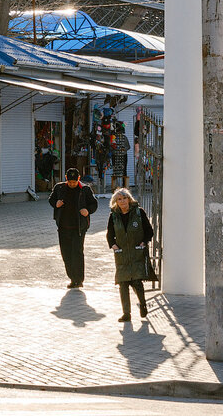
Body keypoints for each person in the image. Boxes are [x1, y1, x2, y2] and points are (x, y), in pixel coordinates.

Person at [106, 187, 153, 323]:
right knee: (123, 283)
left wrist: (144, 242)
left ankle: (143, 304)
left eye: (124, 198)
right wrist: (113, 245)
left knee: (136, 281)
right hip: (121, 254)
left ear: (129, 199)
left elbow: (149, 231)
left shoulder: (139, 212)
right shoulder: (114, 216)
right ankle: (126, 313)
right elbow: (110, 234)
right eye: (119, 199)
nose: (122, 202)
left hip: (136, 252)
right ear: (116, 202)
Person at [49, 167, 97, 288]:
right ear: (66, 179)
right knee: (66, 253)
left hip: (79, 228)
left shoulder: (85, 189)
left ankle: (79, 280)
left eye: (74, 182)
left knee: (77, 253)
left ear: (79, 179)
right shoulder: (59, 188)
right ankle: (72, 278)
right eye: (70, 182)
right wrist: (56, 204)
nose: (72, 184)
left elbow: (94, 204)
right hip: (63, 227)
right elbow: (51, 199)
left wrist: (88, 211)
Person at [110, 121, 130, 189]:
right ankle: (115, 186)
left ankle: (124, 186)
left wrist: (124, 149)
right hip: (115, 155)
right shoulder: (113, 137)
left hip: (123, 155)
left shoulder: (124, 138)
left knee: (124, 170)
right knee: (115, 170)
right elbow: (111, 146)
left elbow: (128, 147)